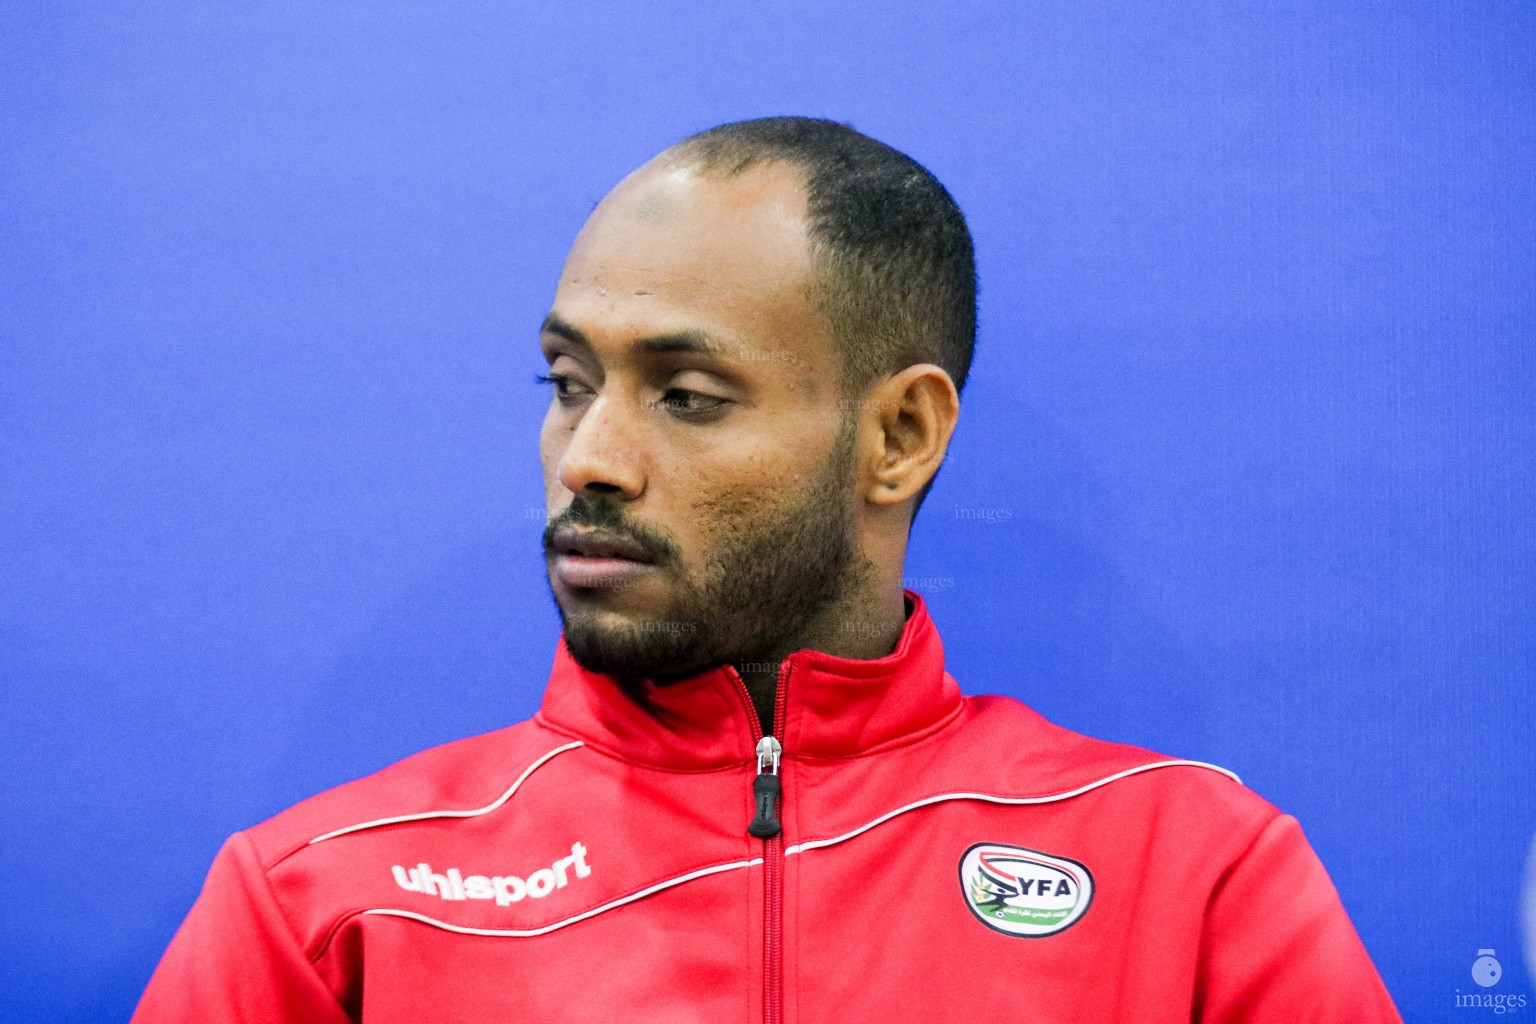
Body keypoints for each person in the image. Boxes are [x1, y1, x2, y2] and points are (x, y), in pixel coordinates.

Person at [133, 116, 1402, 1022]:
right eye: (568, 384)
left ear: (897, 436)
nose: (590, 458)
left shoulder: (1187, 874)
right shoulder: (329, 901)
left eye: (685, 396)